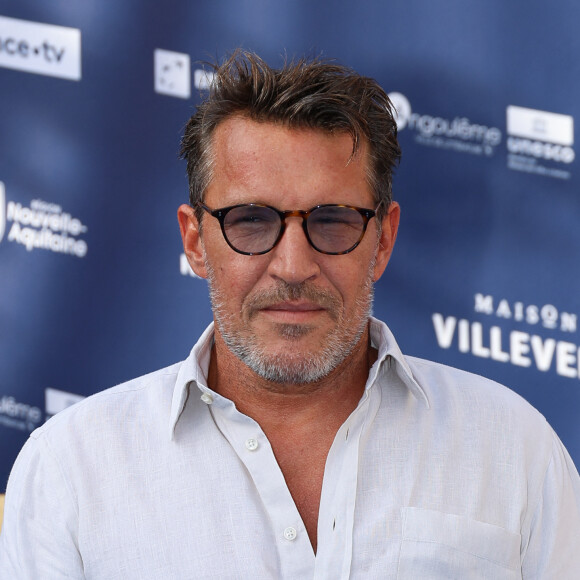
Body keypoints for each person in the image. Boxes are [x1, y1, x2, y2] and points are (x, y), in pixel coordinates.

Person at [1, 50, 579, 579]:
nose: (294, 266)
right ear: (196, 241)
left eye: (332, 220)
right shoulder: (70, 470)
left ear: (382, 240)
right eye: (251, 221)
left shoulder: (514, 447)